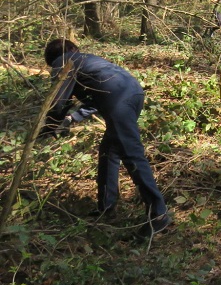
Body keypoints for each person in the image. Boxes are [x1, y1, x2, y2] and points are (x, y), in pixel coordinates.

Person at [43, 39, 171, 238]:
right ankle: (106, 205)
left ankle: (159, 214)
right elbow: (99, 93)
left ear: (51, 59)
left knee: (132, 154)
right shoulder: (87, 60)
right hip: (133, 92)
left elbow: (58, 102)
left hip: (118, 99)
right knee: (109, 151)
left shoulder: (63, 62)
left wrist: (47, 128)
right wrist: (73, 118)